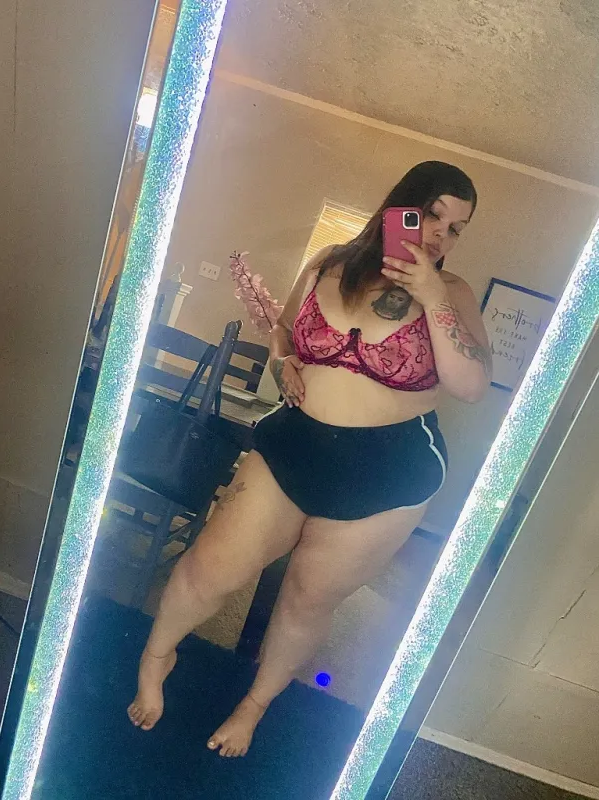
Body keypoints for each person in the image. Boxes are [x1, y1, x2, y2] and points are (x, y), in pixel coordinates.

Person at [127, 161, 491, 757]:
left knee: (308, 598)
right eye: (431, 215)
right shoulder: (330, 263)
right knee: (211, 568)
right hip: (294, 443)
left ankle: (253, 706)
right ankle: (156, 656)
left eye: (455, 229)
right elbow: (286, 336)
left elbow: (471, 385)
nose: (438, 235)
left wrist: (431, 297)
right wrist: (282, 362)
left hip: (387, 472)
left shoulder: (453, 293)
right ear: (399, 206)